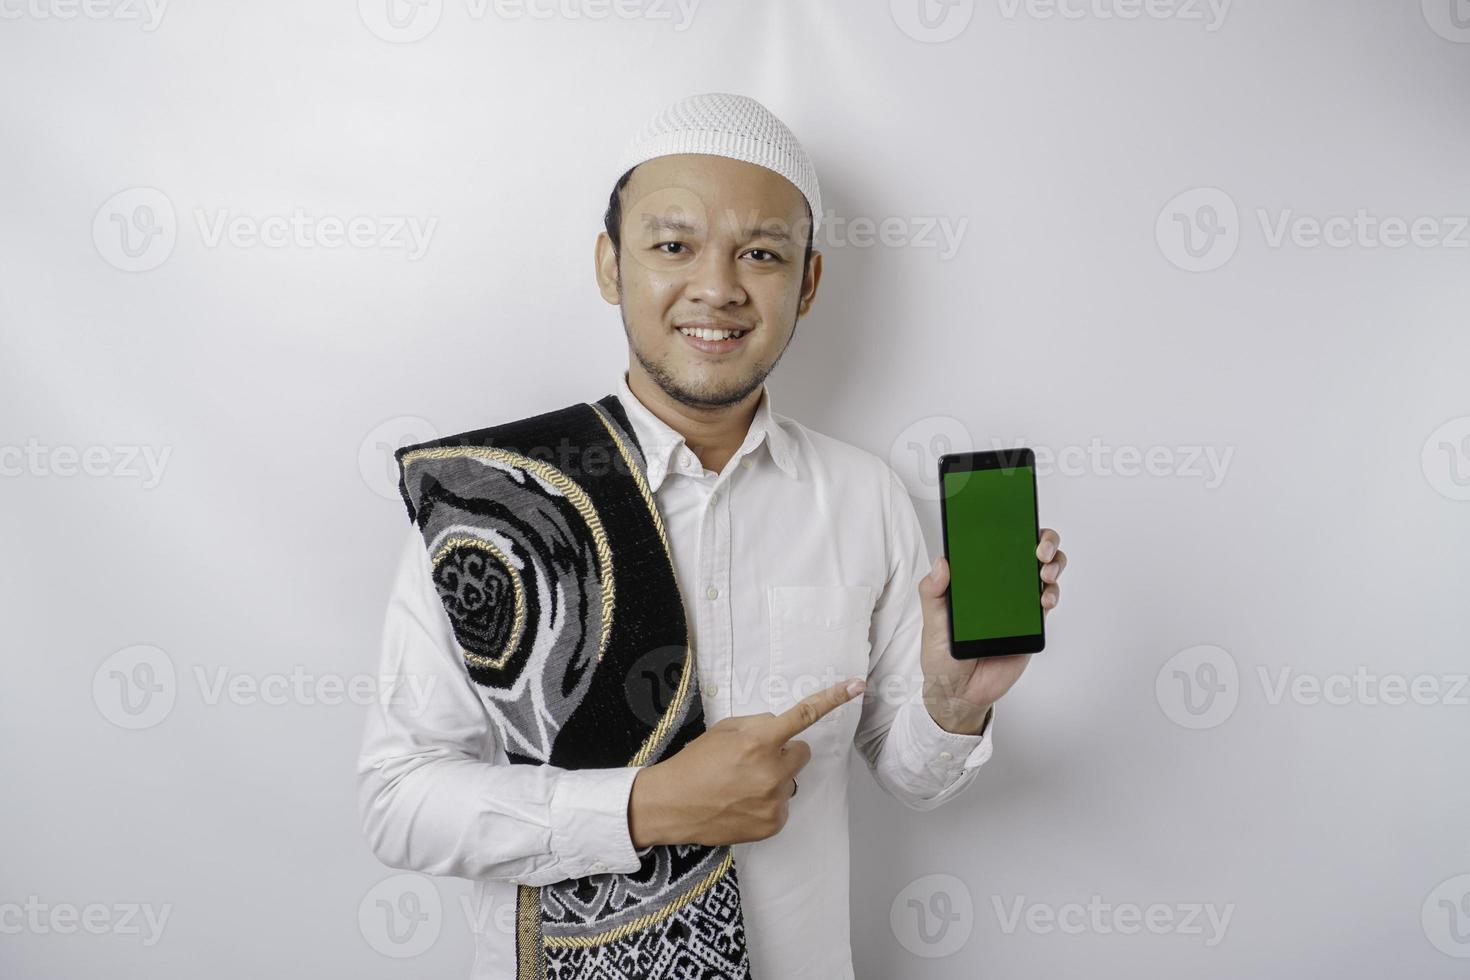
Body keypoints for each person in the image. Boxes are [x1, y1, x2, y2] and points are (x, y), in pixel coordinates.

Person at [357, 91, 1067, 980]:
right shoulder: (491, 503)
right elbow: (398, 801)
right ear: (611, 266)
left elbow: (913, 778)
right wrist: (645, 807)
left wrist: (956, 700)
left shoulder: (861, 495)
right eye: (672, 245)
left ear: (807, 285)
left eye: (761, 253)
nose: (718, 287)